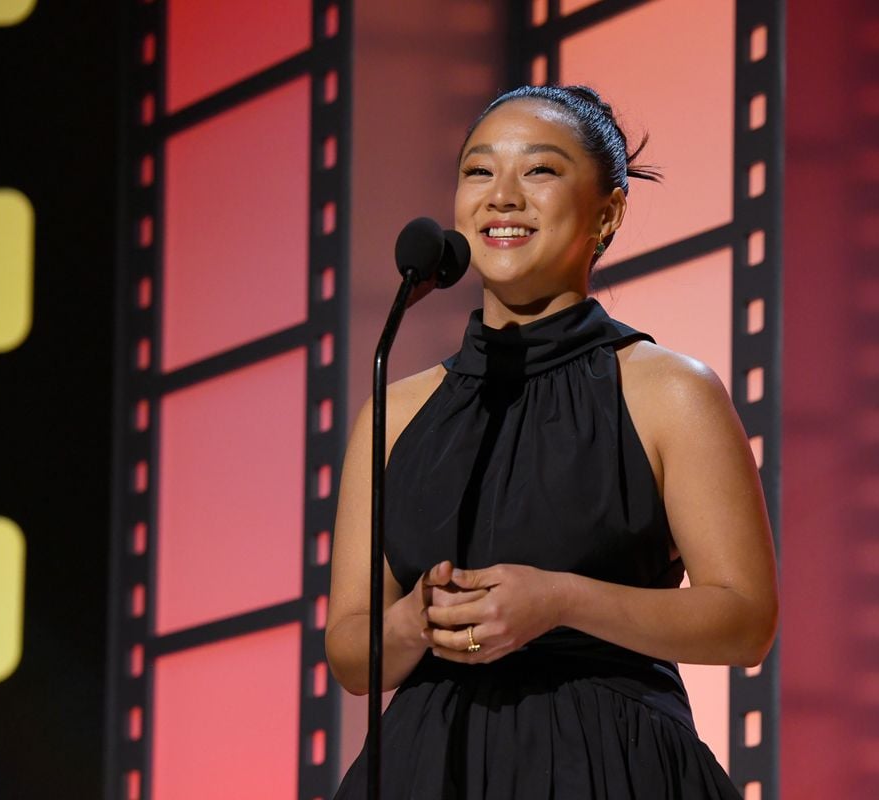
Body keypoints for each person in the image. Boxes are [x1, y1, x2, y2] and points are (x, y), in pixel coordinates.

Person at [326, 84, 779, 799]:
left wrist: (560, 601)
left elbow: (745, 620)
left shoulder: (668, 391)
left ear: (609, 212)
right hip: (426, 770)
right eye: (479, 171)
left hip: (609, 766)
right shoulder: (398, 408)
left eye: (538, 170)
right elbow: (352, 653)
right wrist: (415, 622)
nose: (502, 196)